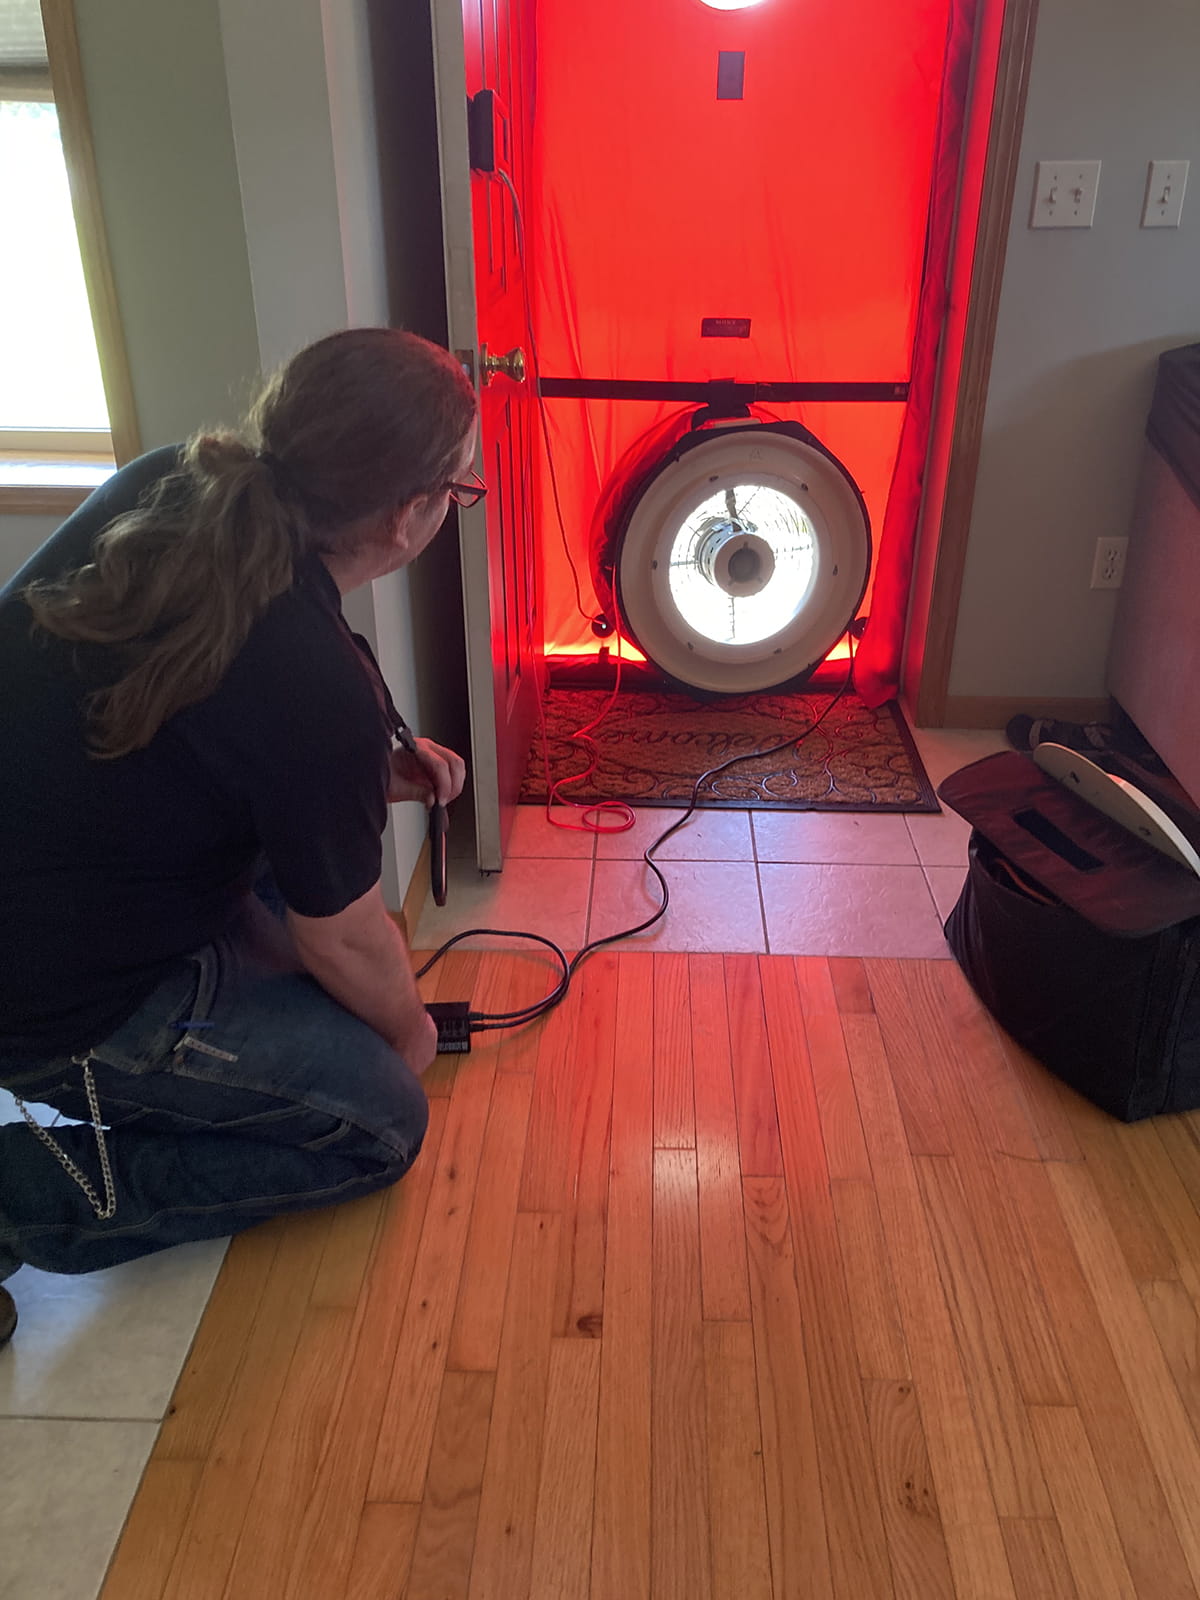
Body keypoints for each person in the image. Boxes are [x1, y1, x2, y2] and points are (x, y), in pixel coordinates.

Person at [0, 328, 482, 1346]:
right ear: (409, 513)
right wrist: (407, 1033)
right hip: (54, 998)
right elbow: (344, 937)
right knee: (381, 1122)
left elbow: (209, 719)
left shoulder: (170, 480)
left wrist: (359, 780)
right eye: (459, 489)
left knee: (326, 997)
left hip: (47, 873)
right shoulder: (311, 680)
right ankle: (25, 1193)